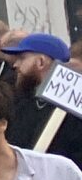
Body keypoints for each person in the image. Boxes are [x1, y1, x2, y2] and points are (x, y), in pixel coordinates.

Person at [4, 30, 82, 165]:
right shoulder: (19, 102)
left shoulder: (74, 111)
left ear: (41, 62)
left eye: (22, 58)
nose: (16, 65)